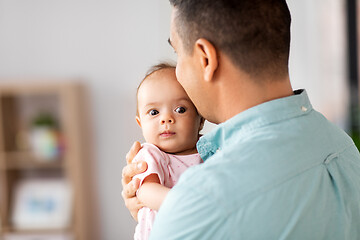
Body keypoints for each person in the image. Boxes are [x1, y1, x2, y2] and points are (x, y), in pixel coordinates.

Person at [122, 0, 360, 239]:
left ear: (206, 58)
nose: (178, 74)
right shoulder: (345, 150)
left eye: (178, 53)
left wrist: (172, 219)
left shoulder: (198, 206)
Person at [131, 63, 204, 240]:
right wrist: (189, 205)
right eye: (154, 112)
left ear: (200, 119)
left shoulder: (209, 151)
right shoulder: (152, 154)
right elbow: (146, 191)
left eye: (180, 110)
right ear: (140, 124)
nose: (166, 119)